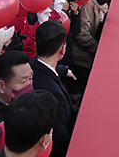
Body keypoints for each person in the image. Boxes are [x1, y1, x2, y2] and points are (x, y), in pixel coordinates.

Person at [31, 21, 75, 157]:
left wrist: (62, 71)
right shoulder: (52, 92)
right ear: (62, 49)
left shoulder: (30, 66)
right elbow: (60, 137)